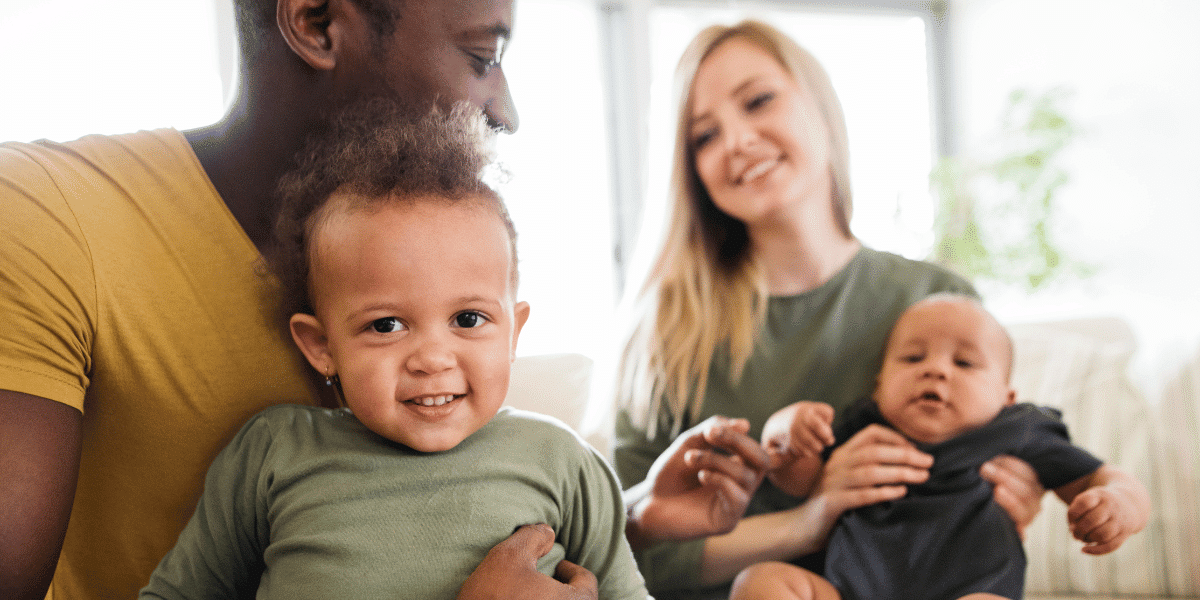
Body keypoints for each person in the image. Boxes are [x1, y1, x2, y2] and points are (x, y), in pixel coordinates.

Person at [0, 1, 602, 598]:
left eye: (468, 319)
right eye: (482, 56)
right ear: (316, 22)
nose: (508, 112)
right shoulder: (41, 214)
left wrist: (627, 522)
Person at [139, 104, 649, 600]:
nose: (431, 358)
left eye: (468, 319)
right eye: (386, 325)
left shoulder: (561, 460)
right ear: (322, 347)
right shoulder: (274, 454)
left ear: (513, 332)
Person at [613, 20, 1047, 599]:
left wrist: (1012, 486)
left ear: (821, 107)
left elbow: (999, 465)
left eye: (758, 101)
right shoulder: (666, 331)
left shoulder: (936, 299)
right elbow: (630, 549)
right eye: (704, 136)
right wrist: (809, 519)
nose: (738, 141)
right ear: (690, 170)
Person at [732, 294, 1152, 600]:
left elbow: (1099, 476)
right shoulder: (864, 426)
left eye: (964, 363)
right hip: (844, 590)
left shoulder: (1020, 431)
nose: (935, 370)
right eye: (913, 358)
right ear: (879, 385)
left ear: (1006, 397)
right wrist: (786, 432)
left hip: (969, 591)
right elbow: (798, 482)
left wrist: (1121, 503)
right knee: (759, 583)